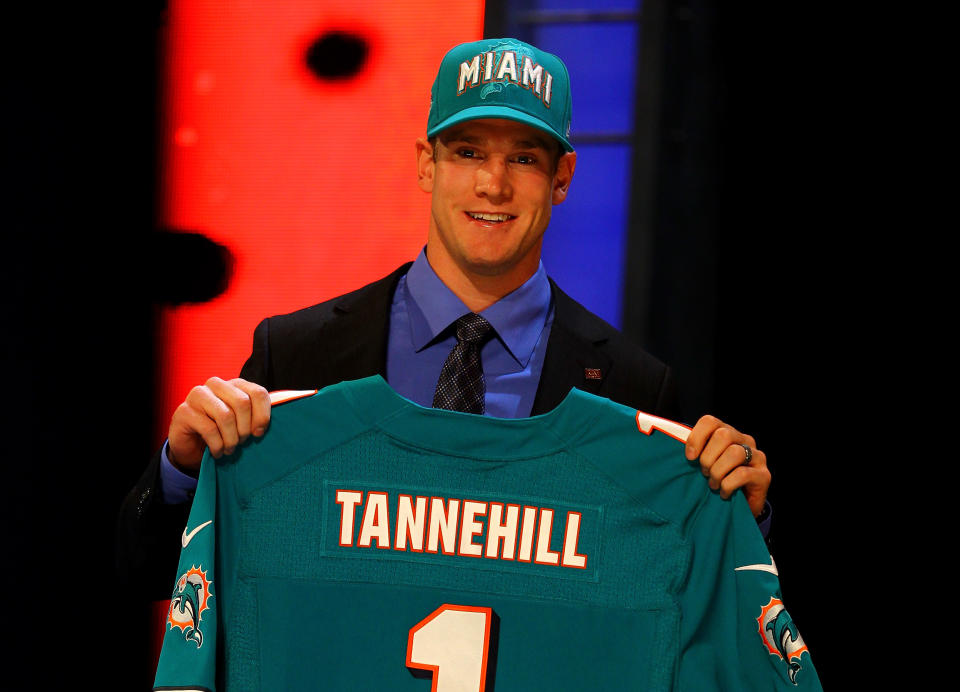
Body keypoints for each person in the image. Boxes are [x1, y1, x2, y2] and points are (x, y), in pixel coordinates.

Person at [117, 37, 771, 599]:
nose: (493, 184)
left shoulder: (634, 385)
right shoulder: (296, 354)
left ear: (563, 177)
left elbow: (686, 602)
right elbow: (153, 576)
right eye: (467, 152)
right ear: (427, 163)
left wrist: (744, 517)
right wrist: (181, 467)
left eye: (523, 157)